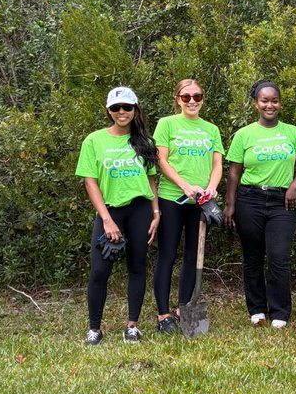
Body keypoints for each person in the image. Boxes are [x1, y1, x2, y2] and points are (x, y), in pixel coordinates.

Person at [75, 86, 160, 344]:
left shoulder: (144, 142)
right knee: (100, 271)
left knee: (137, 267)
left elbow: (151, 179)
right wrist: (107, 219)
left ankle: (132, 326)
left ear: (135, 110)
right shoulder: (94, 140)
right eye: (116, 108)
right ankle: (94, 328)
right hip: (110, 211)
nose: (121, 112)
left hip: (140, 211)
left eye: (127, 107)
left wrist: (156, 213)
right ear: (108, 111)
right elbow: (90, 182)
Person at [225, 81, 296, 328]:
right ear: (256, 104)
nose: (269, 105)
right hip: (249, 199)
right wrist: (230, 204)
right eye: (264, 101)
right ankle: (257, 309)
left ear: (280, 103)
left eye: (274, 100)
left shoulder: (292, 132)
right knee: (252, 256)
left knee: (278, 257)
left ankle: (280, 311)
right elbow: (233, 173)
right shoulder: (244, 134)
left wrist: (294, 186)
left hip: (282, 200)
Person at [151, 79, 225, 334]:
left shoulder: (211, 129)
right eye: (186, 97)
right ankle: (163, 316)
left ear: (203, 99)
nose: (192, 101)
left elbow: (217, 164)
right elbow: (161, 160)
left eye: (197, 96)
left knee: (194, 257)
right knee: (168, 256)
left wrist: (212, 187)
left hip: (200, 202)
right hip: (173, 198)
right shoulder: (167, 124)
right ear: (177, 99)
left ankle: (184, 308)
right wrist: (184, 185)